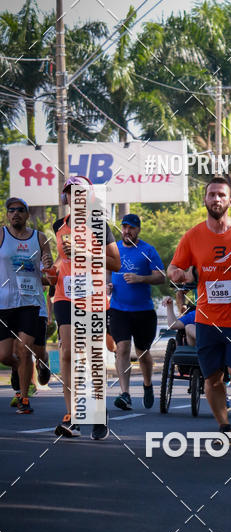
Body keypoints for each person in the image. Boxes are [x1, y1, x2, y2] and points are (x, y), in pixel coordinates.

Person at [167, 177, 231, 433]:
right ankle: (224, 426)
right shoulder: (193, 236)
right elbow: (174, 267)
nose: (216, 199)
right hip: (206, 321)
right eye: (211, 195)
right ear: (205, 200)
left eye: (221, 195)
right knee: (213, 380)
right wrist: (176, 274)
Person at [51, 176, 121, 439]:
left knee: (92, 358)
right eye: (70, 192)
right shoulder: (59, 225)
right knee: (68, 354)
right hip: (65, 295)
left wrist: (85, 252)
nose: (74, 197)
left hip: (92, 298)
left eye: (80, 192)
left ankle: (98, 412)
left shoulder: (99, 225)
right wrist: (52, 270)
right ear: (65, 197)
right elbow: (62, 258)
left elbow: (116, 264)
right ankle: (73, 417)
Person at [0, 197, 53, 413]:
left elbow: (48, 274)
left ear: (27, 214)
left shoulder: (39, 238)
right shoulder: (2, 234)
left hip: (30, 302)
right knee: (4, 355)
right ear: (7, 214)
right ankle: (23, 367)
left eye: (20, 210)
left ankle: (24, 397)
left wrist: (48, 267)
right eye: (11, 210)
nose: (15, 213)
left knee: (24, 348)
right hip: (4, 302)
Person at [108, 214, 164, 410]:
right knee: (122, 348)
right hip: (118, 309)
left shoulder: (148, 250)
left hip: (143, 311)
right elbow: (105, 270)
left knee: (142, 352)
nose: (127, 231)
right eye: (124, 227)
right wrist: (107, 284)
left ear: (138, 230)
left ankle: (148, 385)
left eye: (131, 228)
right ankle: (125, 394)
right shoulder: (114, 248)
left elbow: (161, 276)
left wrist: (141, 278)